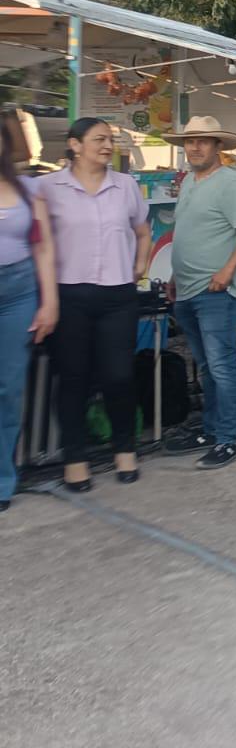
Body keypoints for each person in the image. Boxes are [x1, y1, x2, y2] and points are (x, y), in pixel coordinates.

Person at [34, 118, 139, 490]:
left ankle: (125, 448)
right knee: (73, 378)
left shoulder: (125, 185)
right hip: (69, 295)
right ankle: (75, 457)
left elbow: (142, 230)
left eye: (110, 139)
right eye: (99, 139)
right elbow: (39, 241)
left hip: (118, 295)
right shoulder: (48, 187)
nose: (107, 146)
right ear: (75, 145)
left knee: (119, 376)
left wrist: (139, 266)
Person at [166, 116, 236, 471]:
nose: (194, 147)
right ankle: (211, 430)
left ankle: (228, 439)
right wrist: (175, 275)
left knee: (221, 365)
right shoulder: (189, 182)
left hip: (216, 290)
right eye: (190, 141)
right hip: (188, 287)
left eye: (203, 141)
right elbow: (190, 231)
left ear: (217, 146)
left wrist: (228, 269)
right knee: (208, 365)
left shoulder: (230, 181)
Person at [0, 118, 57, 510]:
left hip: (19, 294)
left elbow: (44, 247)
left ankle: (3, 480)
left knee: (9, 389)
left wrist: (49, 302)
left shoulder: (28, 189)